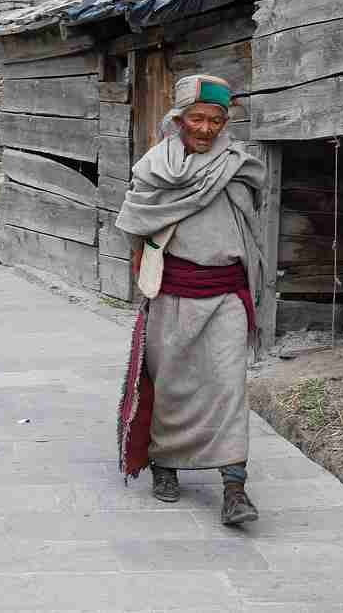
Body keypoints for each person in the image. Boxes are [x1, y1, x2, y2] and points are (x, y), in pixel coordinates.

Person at [115, 74, 266, 526]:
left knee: (228, 385)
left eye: (215, 121)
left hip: (227, 293)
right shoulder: (154, 168)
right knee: (175, 383)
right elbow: (138, 225)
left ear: (226, 122)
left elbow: (251, 220)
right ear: (178, 119)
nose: (205, 129)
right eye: (196, 119)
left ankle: (234, 486)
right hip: (173, 292)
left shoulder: (239, 165)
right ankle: (166, 466)